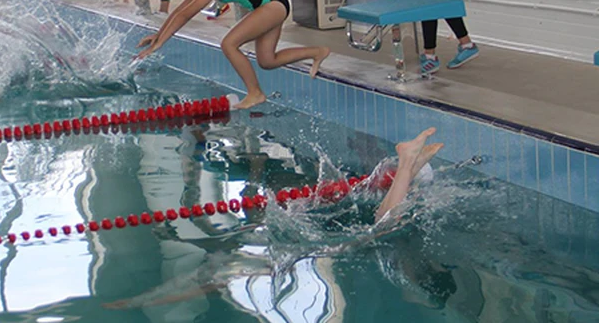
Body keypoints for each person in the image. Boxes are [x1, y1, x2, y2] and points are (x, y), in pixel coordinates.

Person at [104, 128, 444, 310]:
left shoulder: (411, 260)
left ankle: (410, 163)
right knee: (376, 230)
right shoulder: (413, 257)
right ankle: (410, 164)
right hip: (323, 224)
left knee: (377, 229)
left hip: (324, 221)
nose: (406, 280)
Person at [136, 0, 331, 109]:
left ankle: (255, 93)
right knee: (267, 61)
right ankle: (318, 51)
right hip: (271, 4)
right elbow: (180, 10)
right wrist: (158, 35)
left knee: (229, 44)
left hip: (272, 5)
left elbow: (187, 14)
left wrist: (158, 45)